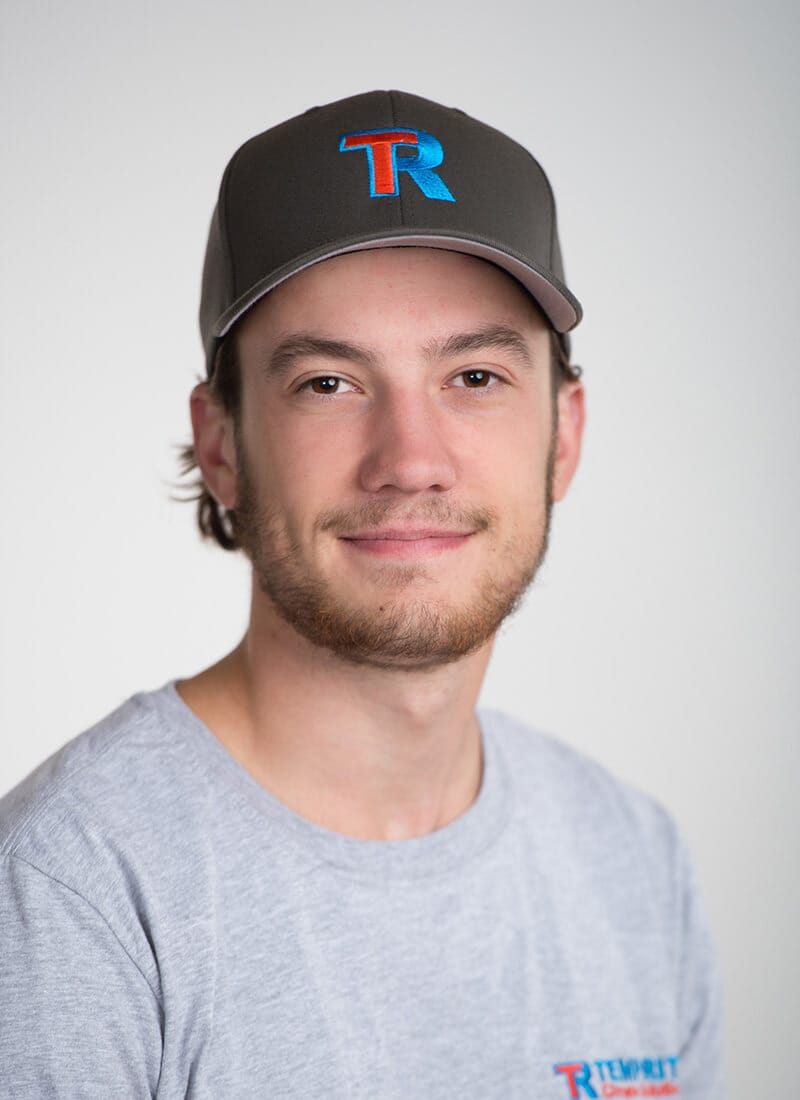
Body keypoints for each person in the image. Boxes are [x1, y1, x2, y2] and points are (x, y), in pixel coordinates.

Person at [0, 90, 724, 1098]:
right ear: (221, 445)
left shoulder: (631, 859)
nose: (409, 460)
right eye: (326, 383)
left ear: (562, 433)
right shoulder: (70, 894)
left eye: (473, 375)